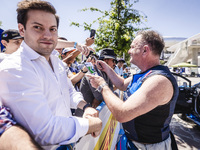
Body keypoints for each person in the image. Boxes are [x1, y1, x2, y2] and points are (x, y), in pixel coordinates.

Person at [0, 0, 102, 149]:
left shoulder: (56, 61)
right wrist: (90, 124)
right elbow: (46, 131)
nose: (48, 35)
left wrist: (86, 107)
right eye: (37, 27)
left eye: (52, 29)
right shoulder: (15, 68)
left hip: (67, 141)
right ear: (22, 30)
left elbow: (68, 90)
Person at [87, 30, 179, 150]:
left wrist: (101, 86)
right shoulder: (146, 74)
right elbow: (122, 83)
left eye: (132, 47)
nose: (129, 51)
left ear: (145, 50)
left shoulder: (158, 81)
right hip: (136, 143)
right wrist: (107, 69)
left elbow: (122, 114)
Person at [78, 48, 117, 113]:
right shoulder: (92, 70)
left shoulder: (106, 72)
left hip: (95, 112)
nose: (114, 64)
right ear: (106, 60)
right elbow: (99, 96)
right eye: (113, 61)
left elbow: (110, 90)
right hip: (84, 115)